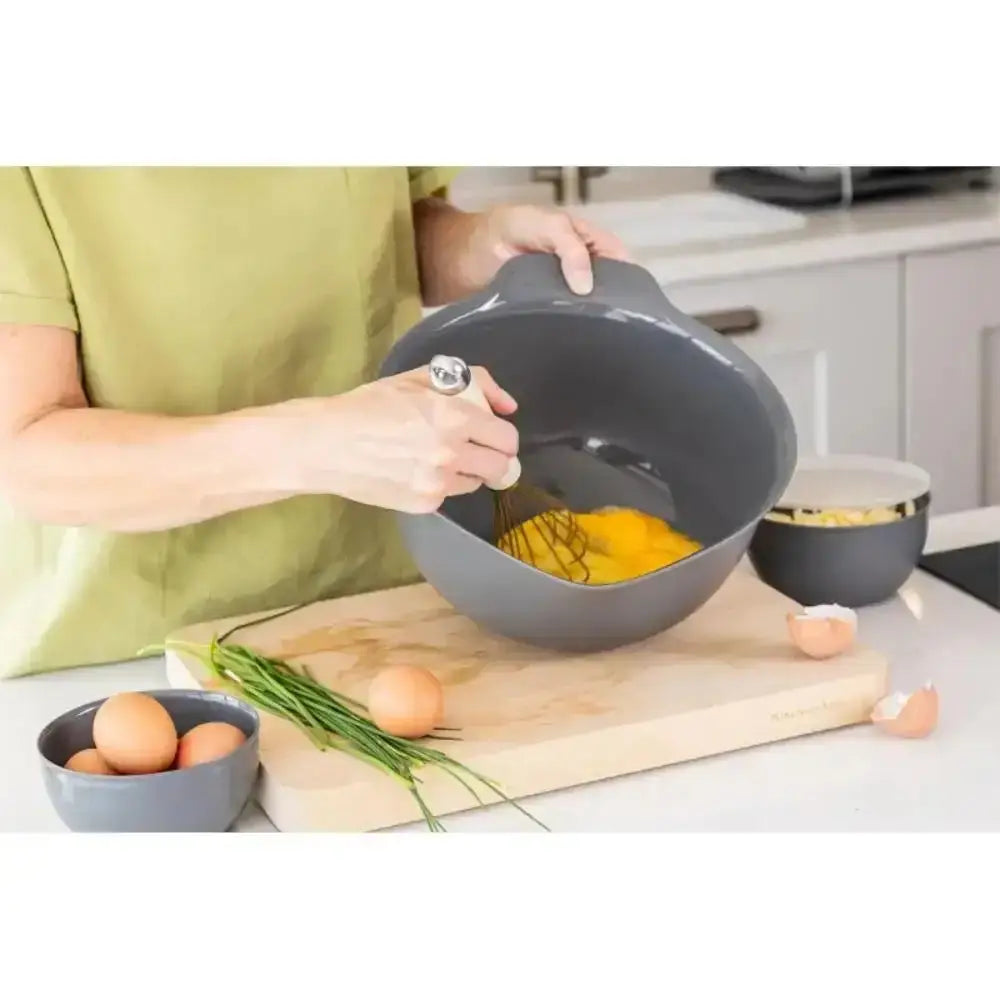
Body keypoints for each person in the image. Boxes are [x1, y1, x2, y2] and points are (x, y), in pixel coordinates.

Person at [0, 167, 627, 678]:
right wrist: (319, 443)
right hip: (133, 653)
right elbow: (26, 453)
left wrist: (484, 244)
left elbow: (388, 229)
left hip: (387, 601)